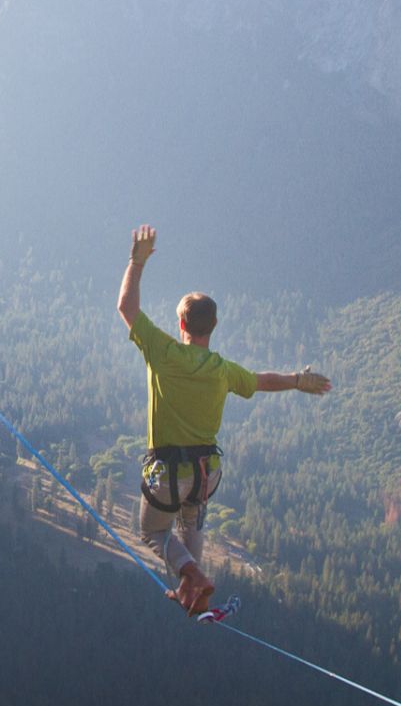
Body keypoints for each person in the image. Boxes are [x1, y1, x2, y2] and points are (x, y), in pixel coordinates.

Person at [115, 224, 331, 614]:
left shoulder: (163, 354)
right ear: (211, 328)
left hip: (168, 472)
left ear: (181, 325)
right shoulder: (222, 369)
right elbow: (262, 381)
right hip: (206, 472)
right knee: (190, 523)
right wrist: (298, 381)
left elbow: (127, 308)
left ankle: (192, 577)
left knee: (153, 531)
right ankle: (192, 596)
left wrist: (137, 261)